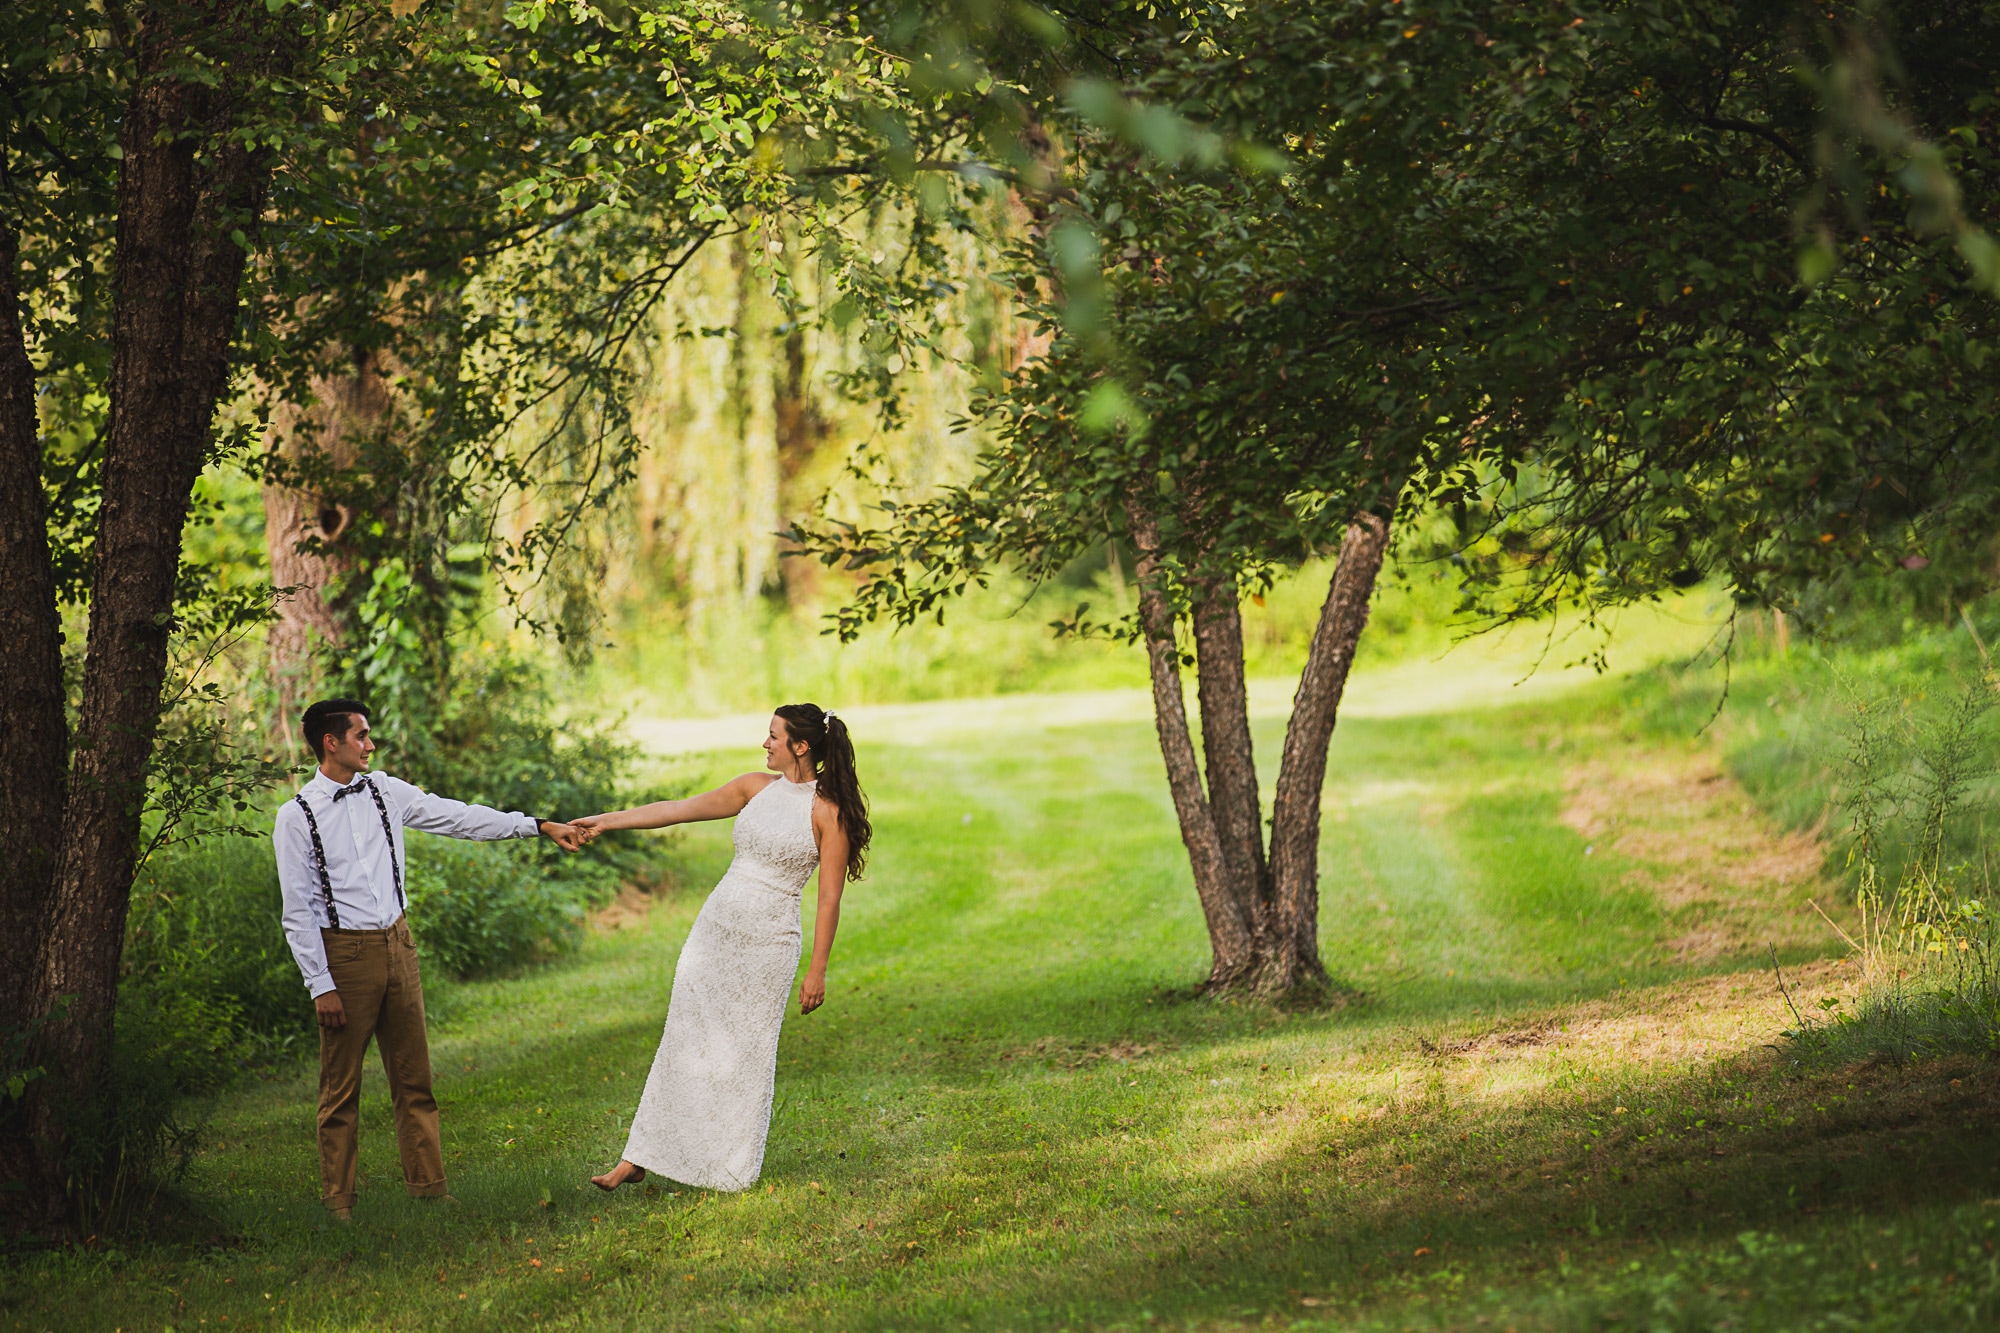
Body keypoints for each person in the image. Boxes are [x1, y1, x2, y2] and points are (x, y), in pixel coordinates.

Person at [273, 697, 588, 1219]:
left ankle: (429, 1190)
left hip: (400, 945)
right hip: (344, 955)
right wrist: (320, 983)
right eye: (361, 735)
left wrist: (537, 825)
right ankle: (339, 1203)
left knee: (414, 1078)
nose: (370, 744)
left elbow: (459, 818)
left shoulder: (386, 792)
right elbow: (297, 909)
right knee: (340, 1087)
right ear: (331, 743)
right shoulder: (297, 815)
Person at [577, 703, 870, 1193]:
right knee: (683, 1037)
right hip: (715, 929)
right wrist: (606, 821)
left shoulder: (827, 811)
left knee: (746, 1053)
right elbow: (676, 810)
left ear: (801, 745)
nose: (765, 743)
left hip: (769, 942)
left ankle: (730, 1169)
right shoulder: (754, 787)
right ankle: (638, 1155)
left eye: (774, 736)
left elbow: (829, 898)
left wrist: (818, 970)